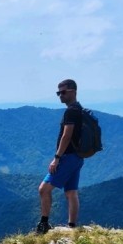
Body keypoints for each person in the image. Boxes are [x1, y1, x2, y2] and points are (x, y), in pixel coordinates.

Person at [36, 79, 84, 234]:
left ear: (73, 91)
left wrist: (57, 158)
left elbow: (67, 135)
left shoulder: (71, 111)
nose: (60, 96)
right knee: (71, 192)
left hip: (67, 157)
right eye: (58, 93)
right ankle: (72, 226)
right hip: (77, 157)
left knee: (43, 189)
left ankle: (44, 224)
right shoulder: (79, 109)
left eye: (62, 92)